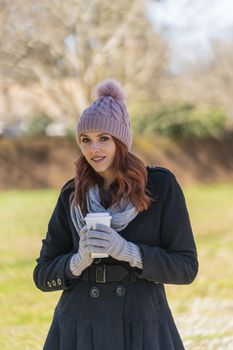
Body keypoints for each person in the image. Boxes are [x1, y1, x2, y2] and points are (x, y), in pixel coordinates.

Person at [33, 79, 198, 350]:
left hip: (140, 321)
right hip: (79, 323)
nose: (93, 149)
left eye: (104, 139)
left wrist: (129, 252)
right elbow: (42, 273)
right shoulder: (72, 195)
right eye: (85, 140)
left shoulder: (160, 186)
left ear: (121, 140)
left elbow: (186, 267)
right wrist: (77, 260)